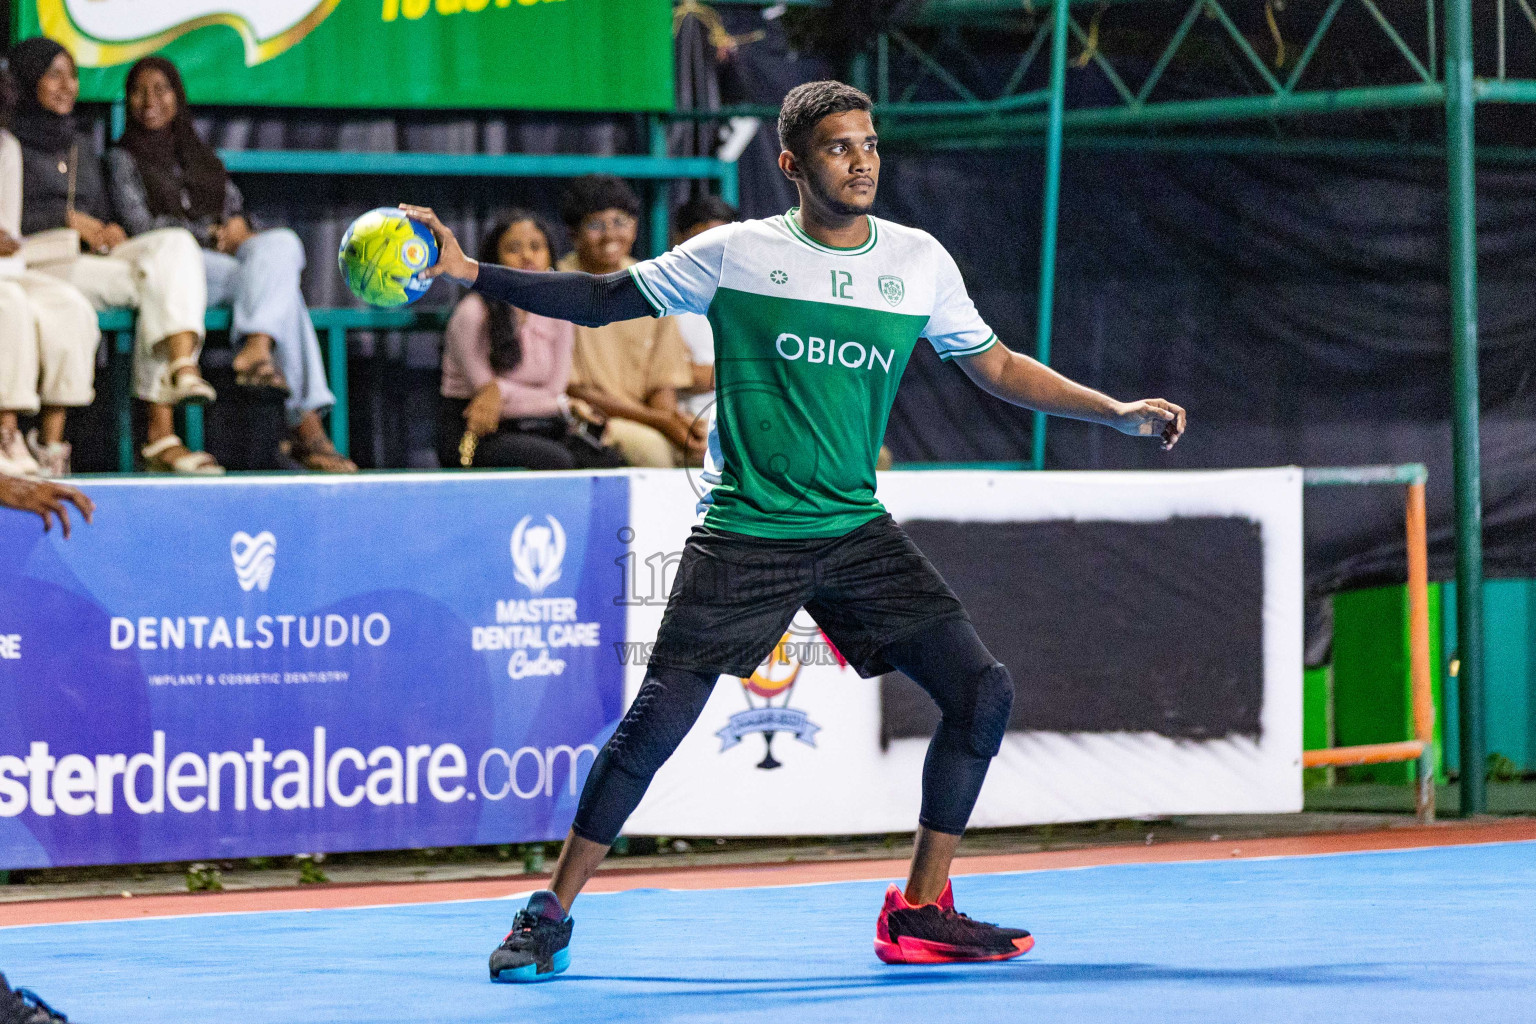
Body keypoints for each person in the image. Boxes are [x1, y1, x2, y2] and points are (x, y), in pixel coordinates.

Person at [405, 79, 1185, 982]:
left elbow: (997, 363)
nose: (860, 162)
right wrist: (470, 273)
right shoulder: (735, 253)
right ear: (792, 165)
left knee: (982, 693)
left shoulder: (918, 261)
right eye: (837, 148)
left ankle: (922, 911)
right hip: (746, 529)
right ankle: (550, 912)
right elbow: (602, 297)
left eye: (869, 145)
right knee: (655, 725)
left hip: (853, 528)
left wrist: (1113, 412)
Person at [107, 56, 354, 473]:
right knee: (283, 294)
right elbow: (139, 224)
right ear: (129, 100)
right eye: (139, 90)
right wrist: (211, 233)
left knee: (280, 245)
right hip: (176, 270)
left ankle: (257, 347)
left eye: (161, 89)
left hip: (222, 266)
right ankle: (305, 426)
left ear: (178, 97)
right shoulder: (122, 157)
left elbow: (235, 210)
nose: (151, 100)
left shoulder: (202, 156)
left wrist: (240, 227)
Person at [8, 37, 220, 475]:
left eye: (72, 74)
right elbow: (9, 217)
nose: (68, 85)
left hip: (85, 261)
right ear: (29, 82)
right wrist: (66, 218)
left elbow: (100, 208)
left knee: (174, 249)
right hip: (38, 264)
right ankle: (159, 433)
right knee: (151, 286)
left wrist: (106, 228)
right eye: (54, 75)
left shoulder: (80, 143)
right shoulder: (10, 141)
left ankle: (182, 366)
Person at [437, 210, 622, 470]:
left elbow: (552, 390)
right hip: (474, 429)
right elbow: (487, 403)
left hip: (538, 426)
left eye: (536, 247)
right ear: (494, 260)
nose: (527, 256)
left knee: (607, 459)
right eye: (514, 249)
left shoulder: (560, 310)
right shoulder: (473, 313)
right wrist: (561, 406)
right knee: (555, 460)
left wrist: (503, 390)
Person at [556, 175, 704, 467]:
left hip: (647, 417)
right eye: (596, 225)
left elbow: (662, 380)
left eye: (620, 222)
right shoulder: (557, 286)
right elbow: (572, 388)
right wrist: (661, 423)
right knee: (654, 452)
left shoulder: (650, 283)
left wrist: (675, 424)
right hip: (584, 417)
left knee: (712, 447)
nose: (610, 235)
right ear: (573, 234)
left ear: (635, 227)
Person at [0, 59, 100, 478]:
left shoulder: (4, 146)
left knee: (69, 305)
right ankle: (6, 432)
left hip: (8, 267)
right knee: (10, 304)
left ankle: (50, 444)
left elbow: (8, 231)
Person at [669, 193, 734, 421]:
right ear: (678, 239)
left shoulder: (753, 296)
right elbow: (665, 376)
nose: (713, 252)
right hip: (686, 419)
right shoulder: (663, 296)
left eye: (723, 243)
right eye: (702, 240)